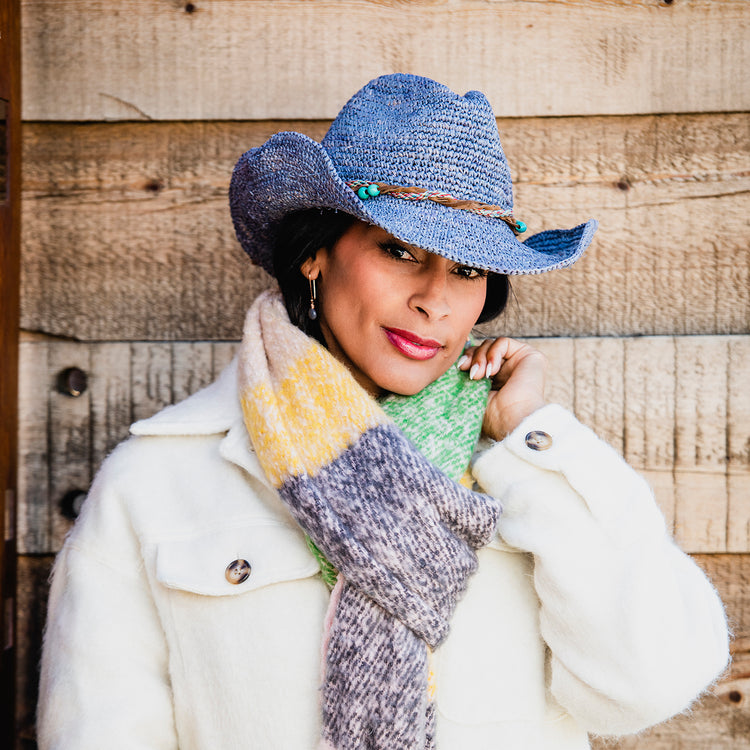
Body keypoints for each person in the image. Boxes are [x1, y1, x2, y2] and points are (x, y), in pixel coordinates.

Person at [37, 74, 729, 750]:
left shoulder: (523, 465)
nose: (436, 298)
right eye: (400, 250)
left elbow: (648, 683)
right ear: (315, 253)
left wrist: (529, 436)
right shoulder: (158, 482)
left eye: (466, 268)